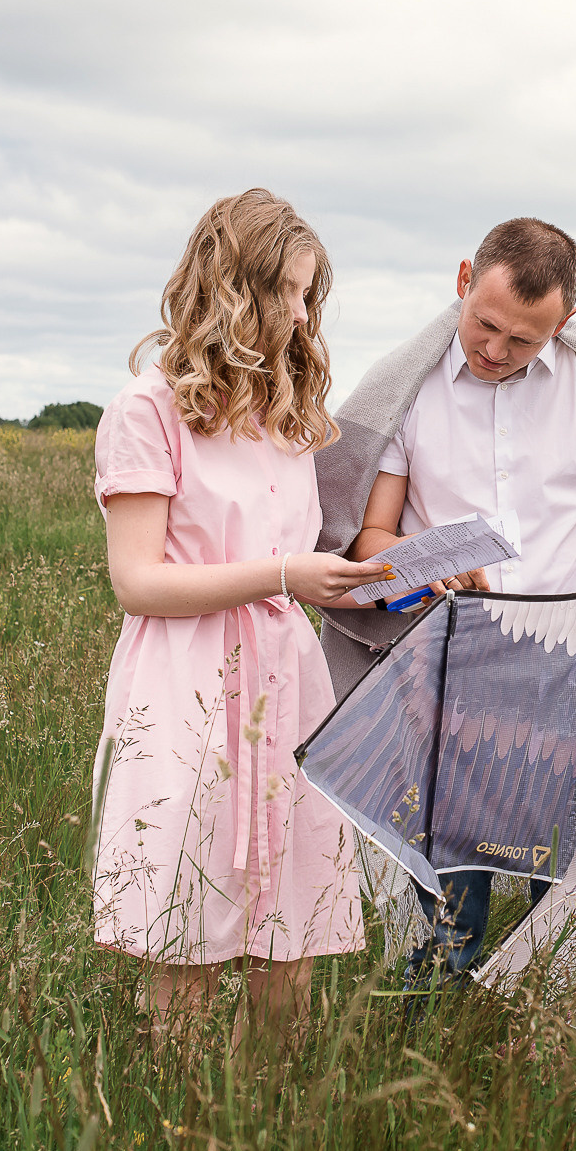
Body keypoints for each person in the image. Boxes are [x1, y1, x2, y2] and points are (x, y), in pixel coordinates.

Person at [313, 216, 576, 981]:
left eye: (522, 339)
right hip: (452, 674)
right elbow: (370, 538)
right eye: (484, 324)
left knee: (571, 897)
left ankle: (544, 1048)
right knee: (446, 906)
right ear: (463, 279)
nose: (494, 349)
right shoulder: (408, 390)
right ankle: (426, 1050)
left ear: (566, 322)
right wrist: (427, 568)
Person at [90, 188, 390, 1047]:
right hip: (187, 675)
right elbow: (137, 580)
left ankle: (269, 1108)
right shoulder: (148, 410)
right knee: (184, 921)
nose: (301, 316)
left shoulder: (285, 414)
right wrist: (287, 573)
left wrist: (376, 576)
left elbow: (302, 557)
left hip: (286, 672)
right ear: (230, 286)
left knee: (289, 925)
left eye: (308, 296)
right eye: (286, 291)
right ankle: (181, 1113)